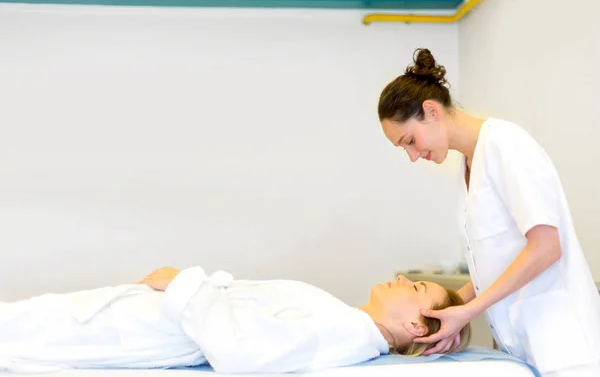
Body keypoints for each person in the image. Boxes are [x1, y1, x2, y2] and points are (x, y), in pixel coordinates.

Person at [376, 48, 600, 377]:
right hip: (524, 346)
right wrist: (447, 312)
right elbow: (496, 267)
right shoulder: (469, 165)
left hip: (565, 345)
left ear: (431, 110)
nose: (412, 155)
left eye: (410, 140)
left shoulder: (505, 145)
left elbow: (547, 248)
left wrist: (469, 311)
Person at [0, 265, 471, 373]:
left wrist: (186, 283)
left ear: (415, 328)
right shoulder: (344, 318)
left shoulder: (344, 332)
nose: (402, 278)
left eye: (416, 289)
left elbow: (241, 353)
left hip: (148, 327)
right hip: (146, 315)